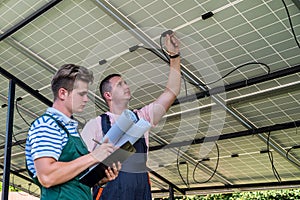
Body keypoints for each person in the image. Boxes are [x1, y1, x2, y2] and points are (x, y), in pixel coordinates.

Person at [81, 32, 181, 200]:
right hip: (109, 193)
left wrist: (174, 56)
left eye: (125, 82)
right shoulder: (95, 125)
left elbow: (171, 92)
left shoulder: (143, 117)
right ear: (108, 95)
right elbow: (81, 168)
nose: (126, 86)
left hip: (141, 192)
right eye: (120, 84)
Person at [25, 64, 121, 200]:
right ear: (63, 93)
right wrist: (94, 156)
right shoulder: (47, 125)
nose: (86, 99)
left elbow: (74, 177)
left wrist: (99, 178)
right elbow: (47, 177)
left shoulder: (71, 130)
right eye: (81, 94)